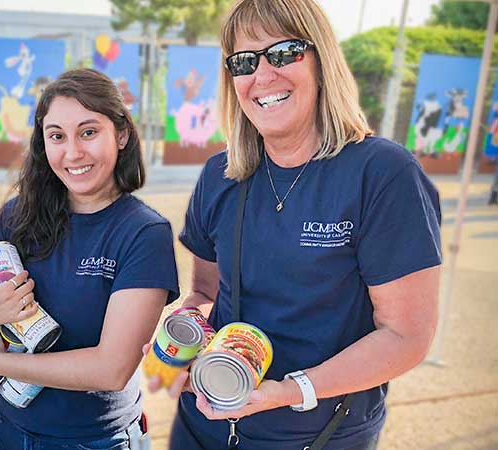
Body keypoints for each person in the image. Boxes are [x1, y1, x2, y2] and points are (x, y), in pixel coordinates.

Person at [156, 1, 442, 449]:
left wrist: (290, 391)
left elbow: (406, 336)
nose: (263, 75)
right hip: (203, 426)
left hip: (317, 436)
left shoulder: (383, 174)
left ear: (321, 59)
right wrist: (178, 342)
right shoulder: (220, 175)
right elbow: (207, 296)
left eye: (285, 51)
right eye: (245, 61)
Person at [0, 68, 180, 450]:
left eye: (89, 132)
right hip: (6, 431)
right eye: (57, 136)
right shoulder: (16, 216)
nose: (73, 152)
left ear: (120, 135)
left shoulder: (143, 232)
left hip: (95, 441)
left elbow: (110, 369)